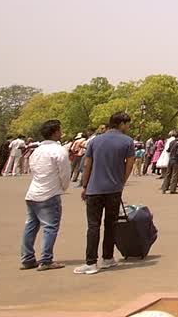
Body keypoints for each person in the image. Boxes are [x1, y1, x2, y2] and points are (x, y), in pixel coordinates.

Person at [75, 111, 135, 275]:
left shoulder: (96, 141)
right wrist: (121, 182)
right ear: (121, 124)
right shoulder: (128, 142)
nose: (129, 127)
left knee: (93, 226)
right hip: (114, 189)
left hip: (95, 189)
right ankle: (107, 258)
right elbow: (129, 165)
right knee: (111, 224)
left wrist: (85, 186)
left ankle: (91, 262)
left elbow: (88, 165)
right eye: (128, 124)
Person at [21, 119, 71, 271]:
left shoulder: (37, 151)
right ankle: (46, 259)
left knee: (31, 226)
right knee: (50, 227)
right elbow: (65, 173)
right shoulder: (59, 150)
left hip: (33, 192)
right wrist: (63, 187)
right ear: (55, 132)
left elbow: (33, 169)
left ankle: (27, 258)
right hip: (49, 193)